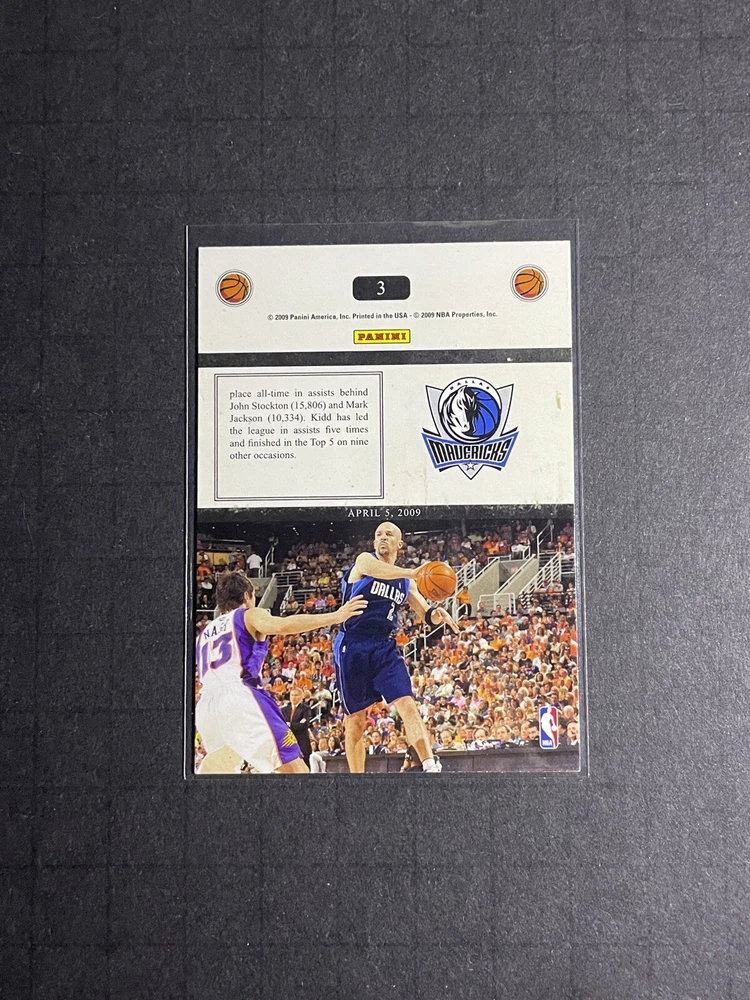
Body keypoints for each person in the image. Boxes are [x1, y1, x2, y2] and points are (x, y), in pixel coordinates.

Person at [195, 571, 366, 774]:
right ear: (247, 596)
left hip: (206, 708)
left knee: (223, 775)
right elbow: (284, 625)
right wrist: (337, 615)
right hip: (240, 697)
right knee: (294, 768)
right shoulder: (248, 614)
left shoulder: (203, 634)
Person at [333, 521, 459, 774]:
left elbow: (425, 612)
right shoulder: (365, 561)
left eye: (389, 534)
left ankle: (429, 764)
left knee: (407, 703)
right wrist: (413, 572)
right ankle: (356, 781)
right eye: (378, 534)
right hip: (353, 643)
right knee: (356, 720)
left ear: (399, 544)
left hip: (384, 645)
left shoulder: (405, 582)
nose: (382, 537)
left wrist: (436, 615)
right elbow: (377, 570)